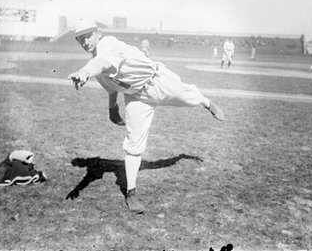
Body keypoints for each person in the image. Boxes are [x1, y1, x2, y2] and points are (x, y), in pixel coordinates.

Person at [67, 19, 225, 214]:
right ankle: (131, 193)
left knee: (190, 98)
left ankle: (207, 103)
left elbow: (99, 63)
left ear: (98, 33)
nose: (84, 42)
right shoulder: (96, 65)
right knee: (134, 144)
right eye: (79, 39)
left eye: (87, 36)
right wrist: (112, 109)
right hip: (136, 97)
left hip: (157, 80)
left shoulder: (107, 43)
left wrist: (84, 72)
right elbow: (111, 89)